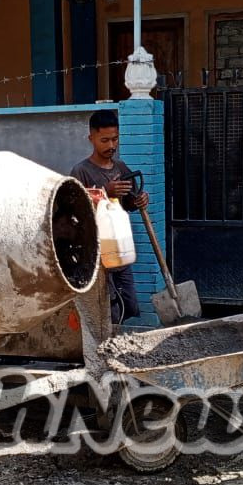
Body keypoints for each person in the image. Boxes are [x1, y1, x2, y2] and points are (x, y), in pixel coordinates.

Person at [69, 109, 150, 325]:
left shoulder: (121, 168)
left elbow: (129, 202)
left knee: (128, 302)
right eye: (104, 140)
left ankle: (114, 339)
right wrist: (105, 192)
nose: (111, 146)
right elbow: (75, 213)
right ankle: (104, 349)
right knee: (105, 306)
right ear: (91, 138)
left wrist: (139, 200)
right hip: (96, 254)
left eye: (114, 139)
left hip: (120, 249)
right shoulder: (81, 172)